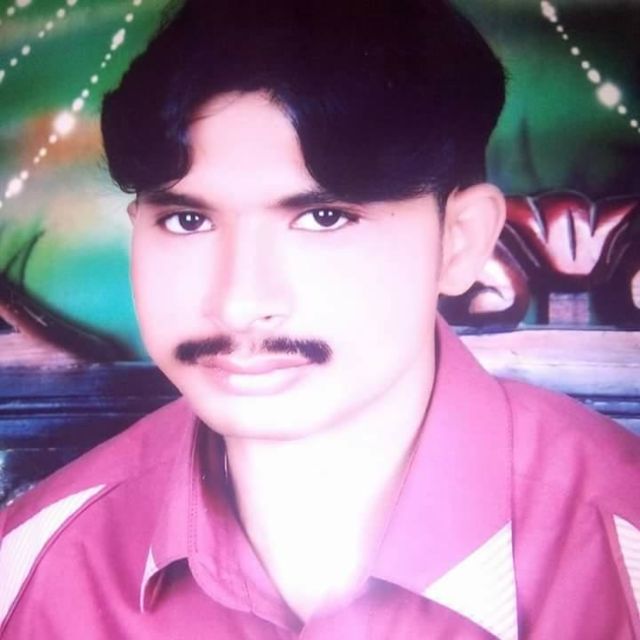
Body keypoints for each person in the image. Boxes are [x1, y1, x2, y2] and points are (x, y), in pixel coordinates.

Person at [1, 0, 639, 637]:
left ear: (459, 241)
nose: (239, 303)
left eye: (324, 218)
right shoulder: (31, 570)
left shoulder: (620, 551)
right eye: (187, 220)